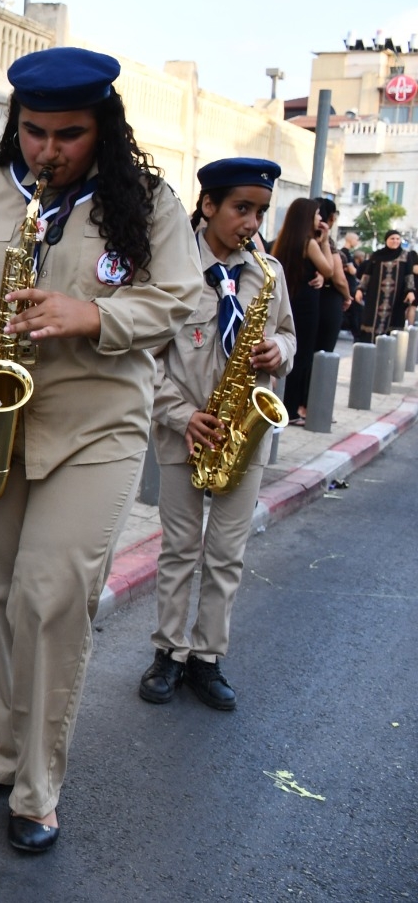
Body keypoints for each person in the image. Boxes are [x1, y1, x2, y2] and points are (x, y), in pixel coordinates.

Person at [0, 46, 203, 854]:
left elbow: (182, 298)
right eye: (34, 132)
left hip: (98, 422)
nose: (47, 150)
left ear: (102, 128)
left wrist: (95, 317)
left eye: (68, 134)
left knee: (50, 596)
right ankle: (0, 751)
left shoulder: (146, 203)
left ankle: (38, 784)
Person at [139, 158, 296, 712]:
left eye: (260, 211)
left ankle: (207, 657)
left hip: (243, 433)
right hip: (185, 430)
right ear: (207, 206)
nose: (252, 222)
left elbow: (286, 334)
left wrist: (281, 350)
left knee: (227, 552)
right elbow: (144, 359)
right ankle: (168, 652)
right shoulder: (171, 271)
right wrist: (181, 416)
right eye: (241, 209)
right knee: (180, 548)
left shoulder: (268, 272)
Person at [268, 199, 337, 424]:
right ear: (308, 218)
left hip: (290, 301)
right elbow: (329, 269)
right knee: (302, 355)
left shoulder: (285, 239)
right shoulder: (310, 243)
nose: (320, 219)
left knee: (290, 355)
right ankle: (292, 409)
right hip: (306, 305)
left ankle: (285, 403)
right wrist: (325, 241)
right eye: (317, 215)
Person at [310, 197, 351, 356]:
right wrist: (347, 297)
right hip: (327, 302)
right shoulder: (323, 242)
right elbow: (338, 277)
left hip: (308, 302)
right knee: (322, 355)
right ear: (331, 217)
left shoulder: (294, 238)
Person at [355, 230, 413, 343]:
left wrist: (410, 291)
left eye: (397, 238)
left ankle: (389, 355)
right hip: (375, 296)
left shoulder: (406, 256)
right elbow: (367, 274)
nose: (395, 241)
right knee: (371, 323)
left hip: (396, 298)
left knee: (394, 325)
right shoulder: (377, 255)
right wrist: (360, 290)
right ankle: (370, 350)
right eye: (392, 238)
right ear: (386, 240)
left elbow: (408, 276)